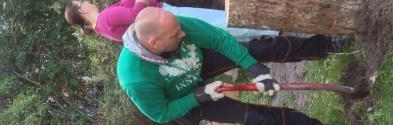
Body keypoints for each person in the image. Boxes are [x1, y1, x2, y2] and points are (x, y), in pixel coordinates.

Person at [118, 8, 349, 125]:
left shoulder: (171, 25)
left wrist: (254, 67)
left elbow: (218, 38)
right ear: (154, 43)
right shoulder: (135, 78)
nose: (181, 34)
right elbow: (161, 113)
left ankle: (326, 46)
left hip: (197, 61)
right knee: (254, 116)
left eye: (179, 30)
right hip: (184, 99)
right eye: (174, 35)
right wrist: (199, 96)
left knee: (263, 48)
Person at [64, 0, 278, 43]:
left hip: (167, 27)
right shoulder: (106, 17)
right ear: (81, 9)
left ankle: (264, 32)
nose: (89, 2)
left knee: (217, 29)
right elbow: (138, 15)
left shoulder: (103, 29)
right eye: (83, 1)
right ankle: (268, 28)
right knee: (218, 23)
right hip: (166, 17)